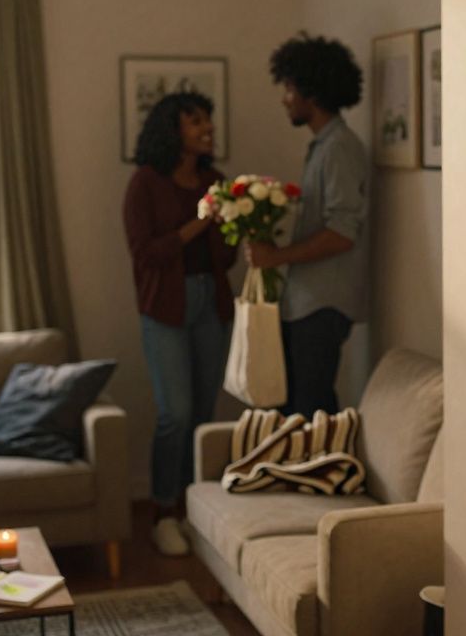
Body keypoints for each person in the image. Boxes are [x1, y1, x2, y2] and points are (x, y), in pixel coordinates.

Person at [123, 91, 237, 557]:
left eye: (207, 120)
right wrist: (199, 222)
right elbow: (145, 254)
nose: (207, 128)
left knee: (204, 414)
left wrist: (238, 223)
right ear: (173, 130)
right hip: (165, 307)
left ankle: (194, 510)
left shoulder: (215, 180)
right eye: (196, 122)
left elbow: (226, 256)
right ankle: (163, 511)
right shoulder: (145, 184)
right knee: (176, 414)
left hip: (211, 301)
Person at [247, 32, 368, 418]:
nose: (285, 98)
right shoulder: (322, 146)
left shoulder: (339, 148)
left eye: (289, 88)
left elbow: (342, 233)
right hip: (304, 302)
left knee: (308, 411)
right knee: (293, 408)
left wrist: (276, 256)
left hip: (322, 305)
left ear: (310, 93)